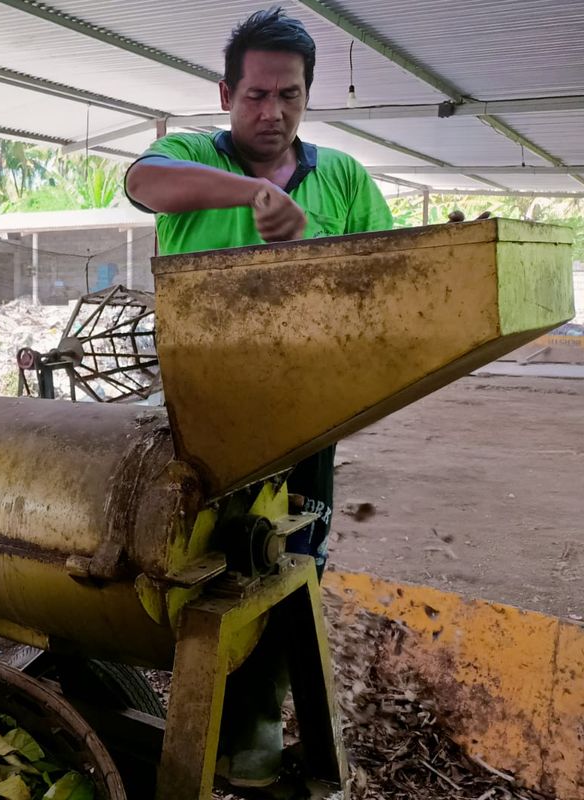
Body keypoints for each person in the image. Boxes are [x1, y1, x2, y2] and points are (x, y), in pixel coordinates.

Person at [124, 6, 392, 789]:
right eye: (255, 95)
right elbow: (144, 183)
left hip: (309, 418)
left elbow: (383, 274)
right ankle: (195, 706)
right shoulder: (188, 155)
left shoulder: (342, 177)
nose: (272, 112)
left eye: (290, 95)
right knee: (198, 564)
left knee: (287, 563)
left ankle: (254, 725)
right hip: (203, 419)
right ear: (225, 93)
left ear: (308, 96)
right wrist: (249, 194)